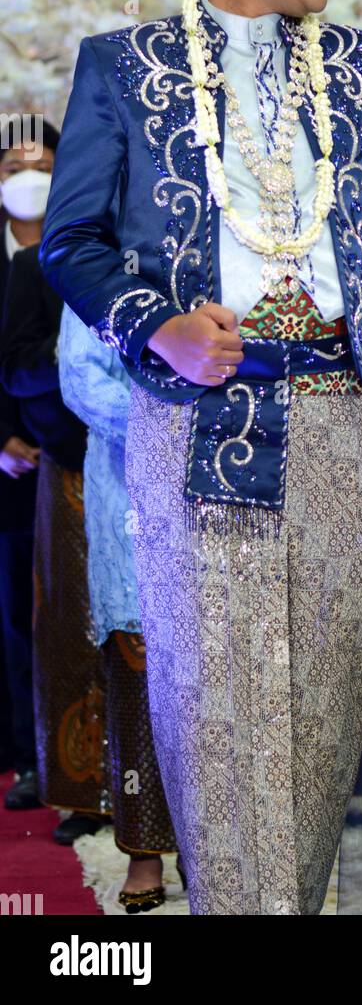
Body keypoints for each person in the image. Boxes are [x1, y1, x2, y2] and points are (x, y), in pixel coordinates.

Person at [39, 0, 362, 915]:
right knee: (210, 703)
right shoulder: (122, 66)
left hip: (341, 418)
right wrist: (153, 326)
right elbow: (69, 239)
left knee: (320, 706)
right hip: (194, 418)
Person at [58, 304, 180, 912]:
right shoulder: (100, 264)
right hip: (128, 486)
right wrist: (170, 424)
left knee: (219, 678)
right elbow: (80, 379)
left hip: (226, 484)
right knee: (139, 679)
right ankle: (143, 851)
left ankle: (224, 845)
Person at [0, 242, 110, 842]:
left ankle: (157, 797)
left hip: (152, 464)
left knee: (153, 633)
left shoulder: (155, 249)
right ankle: (81, 792)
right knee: (68, 625)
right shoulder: (37, 264)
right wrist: (77, 341)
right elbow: (14, 369)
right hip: (67, 463)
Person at [0, 117, 58, 812]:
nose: (27, 176)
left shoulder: (92, 246)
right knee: (20, 619)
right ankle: (30, 755)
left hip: (79, 456)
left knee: (82, 614)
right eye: (14, 166)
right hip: (10, 474)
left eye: (41, 161)